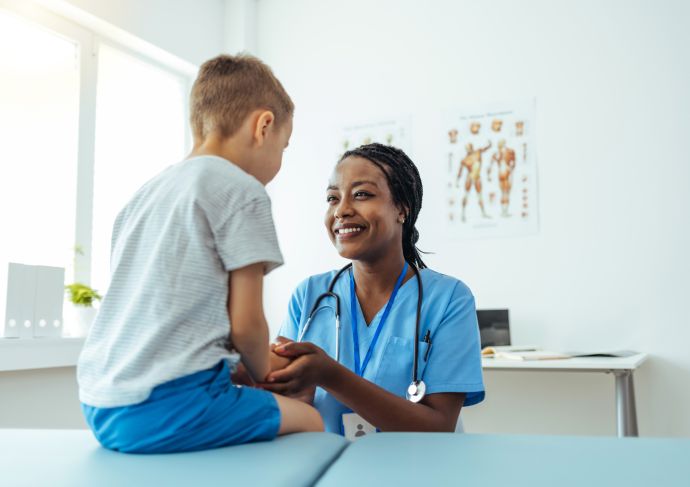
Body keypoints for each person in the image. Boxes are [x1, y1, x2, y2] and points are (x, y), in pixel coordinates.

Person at [77, 54, 323, 454]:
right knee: (310, 421)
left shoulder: (145, 195)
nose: (280, 161)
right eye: (284, 147)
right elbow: (246, 325)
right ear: (264, 126)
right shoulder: (242, 191)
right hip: (168, 404)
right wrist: (265, 373)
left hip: (100, 404)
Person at [261, 143, 484, 437]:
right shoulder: (310, 295)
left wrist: (331, 375)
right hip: (327, 467)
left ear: (402, 209)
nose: (341, 210)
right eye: (332, 198)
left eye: (362, 194)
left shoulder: (449, 299)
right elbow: (284, 396)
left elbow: (438, 426)